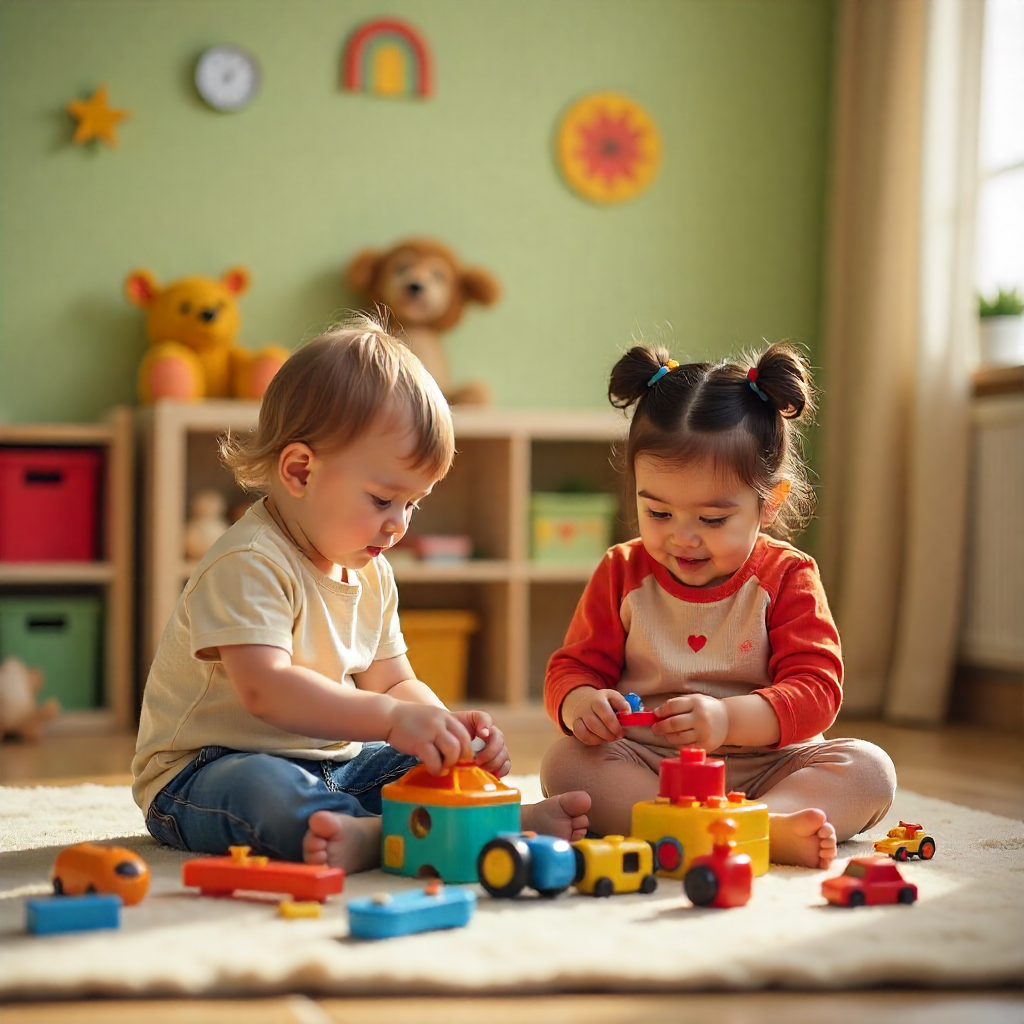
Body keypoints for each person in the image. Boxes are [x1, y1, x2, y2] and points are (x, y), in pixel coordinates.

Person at [132, 313, 589, 872]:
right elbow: (266, 690)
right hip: (209, 770)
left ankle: (478, 817)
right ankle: (386, 832)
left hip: (334, 762)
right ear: (300, 472)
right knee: (267, 790)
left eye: (412, 504)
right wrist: (392, 719)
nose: (399, 524)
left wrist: (443, 728)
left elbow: (392, 682)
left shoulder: (372, 571)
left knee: (423, 763)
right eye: (381, 500)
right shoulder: (247, 561)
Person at [540, 343, 896, 869]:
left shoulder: (788, 576)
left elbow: (817, 690)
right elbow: (572, 668)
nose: (683, 538)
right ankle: (725, 832)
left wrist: (728, 720)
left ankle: (756, 823)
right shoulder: (621, 571)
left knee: (870, 769)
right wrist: (581, 704)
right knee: (567, 763)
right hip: (653, 766)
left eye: (711, 520)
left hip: (768, 767)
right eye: (658, 512)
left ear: (769, 503)